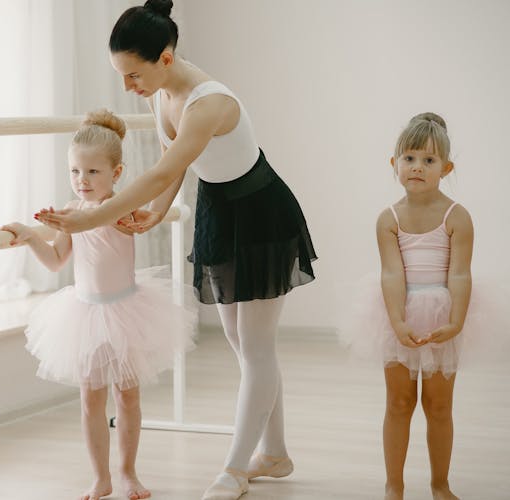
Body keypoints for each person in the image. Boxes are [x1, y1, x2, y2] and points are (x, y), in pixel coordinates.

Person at [35, 2, 317, 499]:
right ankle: (274, 452)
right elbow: (174, 165)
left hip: (259, 213)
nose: (128, 87)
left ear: (166, 57)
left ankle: (234, 470)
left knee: (255, 347)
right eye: (121, 76)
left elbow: (163, 172)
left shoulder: (209, 102)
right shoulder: (159, 91)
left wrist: (90, 218)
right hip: (219, 208)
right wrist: (157, 213)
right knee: (243, 341)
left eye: (133, 74)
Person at [1, 109, 195, 500]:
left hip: (125, 313)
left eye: (92, 172)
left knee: (128, 396)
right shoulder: (70, 212)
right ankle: (100, 478)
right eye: (75, 171)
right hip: (84, 315)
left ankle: (127, 472)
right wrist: (29, 235)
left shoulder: (123, 208)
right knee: (90, 400)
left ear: (116, 173)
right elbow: (57, 260)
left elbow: (120, 218)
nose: (82, 181)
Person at [341, 112, 473, 500]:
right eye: (410, 158)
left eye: (429, 161)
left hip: (442, 316)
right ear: (394, 163)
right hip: (398, 314)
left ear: (445, 168)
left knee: (439, 406)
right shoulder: (389, 218)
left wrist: (457, 321)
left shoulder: (457, 216)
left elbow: (461, 274)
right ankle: (393, 484)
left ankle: (440, 484)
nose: (417, 167)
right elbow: (392, 273)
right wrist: (397, 321)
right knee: (399, 402)